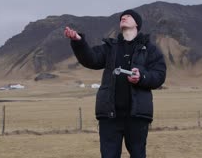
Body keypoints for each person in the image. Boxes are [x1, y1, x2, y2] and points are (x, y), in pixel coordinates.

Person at [64, 9, 166, 158]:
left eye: (128, 16)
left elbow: (159, 75)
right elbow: (91, 59)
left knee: (138, 155)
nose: (123, 18)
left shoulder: (149, 49)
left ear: (137, 23)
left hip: (137, 116)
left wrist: (142, 77)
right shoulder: (110, 48)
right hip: (110, 116)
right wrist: (78, 41)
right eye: (121, 18)